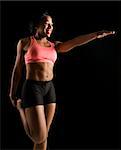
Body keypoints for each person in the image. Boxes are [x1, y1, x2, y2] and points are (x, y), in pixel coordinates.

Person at [9, 12, 115, 150]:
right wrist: (12, 93)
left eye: (52, 25)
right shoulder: (25, 42)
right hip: (32, 88)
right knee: (39, 137)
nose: (50, 27)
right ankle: (20, 109)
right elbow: (17, 69)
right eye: (47, 24)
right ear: (37, 25)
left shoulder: (55, 46)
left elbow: (75, 42)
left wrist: (95, 35)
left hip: (49, 89)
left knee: (44, 137)